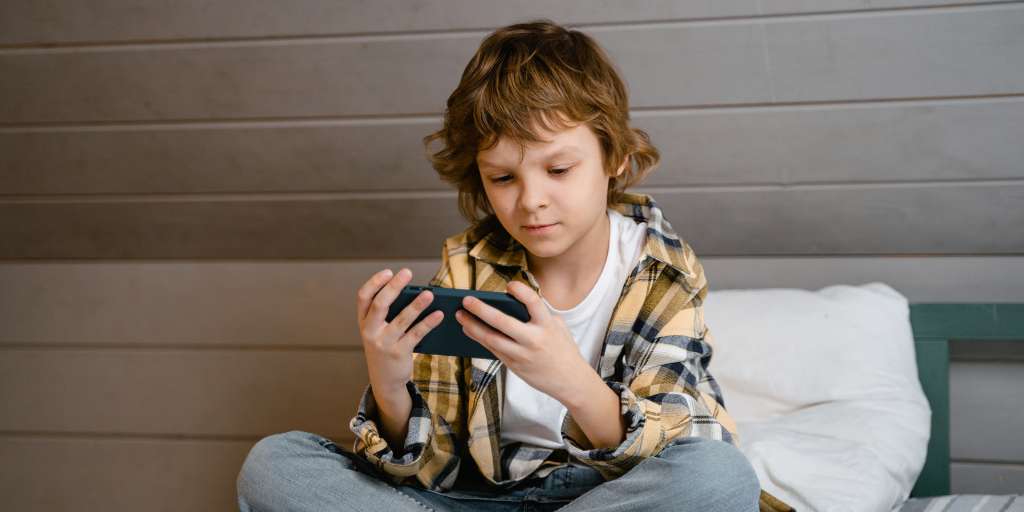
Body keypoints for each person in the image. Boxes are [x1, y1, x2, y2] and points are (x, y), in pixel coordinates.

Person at [237, 19, 795, 512]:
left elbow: (687, 442)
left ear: (615, 158)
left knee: (718, 480)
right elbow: (438, 470)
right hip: (473, 498)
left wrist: (573, 383)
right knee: (275, 464)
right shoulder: (467, 269)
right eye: (503, 178)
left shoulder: (662, 273)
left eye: (558, 169)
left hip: (602, 497)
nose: (530, 201)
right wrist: (391, 389)